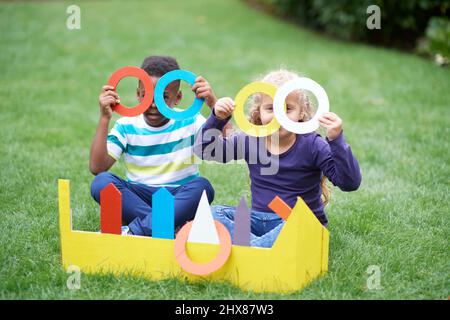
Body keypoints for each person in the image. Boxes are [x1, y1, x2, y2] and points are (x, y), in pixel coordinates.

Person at [194, 69, 362, 247]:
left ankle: (250, 248)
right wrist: (217, 118)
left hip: (297, 223)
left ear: (301, 113)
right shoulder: (251, 139)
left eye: (287, 109)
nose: (278, 116)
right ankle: (259, 247)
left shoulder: (313, 145)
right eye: (270, 108)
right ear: (259, 112)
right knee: (214, 213)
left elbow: (349, 183)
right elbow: (205, 150)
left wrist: (336, 141)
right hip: (259, 220)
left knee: (298, 230)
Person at [90, 55, 218, 236]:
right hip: (139, 196)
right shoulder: (127, 126)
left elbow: (228, 144)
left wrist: (214, 104)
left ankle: (136, 230)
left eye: (163, 97)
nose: (152, 104)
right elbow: (97, 167)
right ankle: (167, 226)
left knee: (202, 187)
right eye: (145, 95)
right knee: (102, 183)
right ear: (137, 94)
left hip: (178, 196)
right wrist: (104, 118)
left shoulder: (192, 121)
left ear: (178, 97)